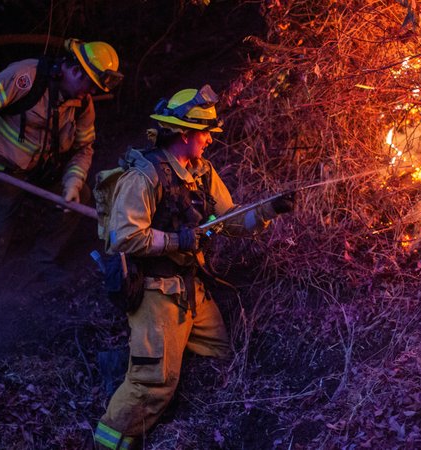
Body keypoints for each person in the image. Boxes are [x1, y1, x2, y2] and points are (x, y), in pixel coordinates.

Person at [92, 85, 294, 449]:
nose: (210, 141)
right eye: (205, 133)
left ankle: (143, 368)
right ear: (183, 134)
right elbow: (122, 238)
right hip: (156, 292)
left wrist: (268, 210)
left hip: (190, 288)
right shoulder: (144, 176)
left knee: (220, 353)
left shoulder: (201, 172)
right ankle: (109, 440)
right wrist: (174, 241)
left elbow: (229, 220)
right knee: (154, 384)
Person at [0, 38, 123, 312]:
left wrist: (72, 181)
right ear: (76, 71)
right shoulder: (27, 76)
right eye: (91, 84)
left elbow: (84, 148)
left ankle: (41, 262)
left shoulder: (82, 103)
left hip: (39, 171)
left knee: (80, 196)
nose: (91, 92)